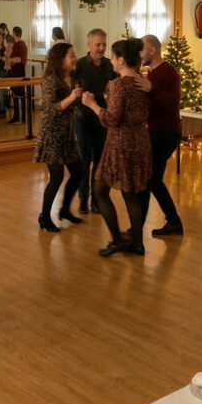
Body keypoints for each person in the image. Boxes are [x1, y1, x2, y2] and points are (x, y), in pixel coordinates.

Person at [82, 38, 151, 257]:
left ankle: (118, 240)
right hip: (140, 141)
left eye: (113, 57)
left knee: (100, 190)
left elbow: (111, 119)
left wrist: (92, 105)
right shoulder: (142, 82)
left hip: (120, 144)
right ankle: (137, 243)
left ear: (121, 60)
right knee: (131, 194)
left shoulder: (118, 85)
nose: (110, 60)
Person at [34, 42, 85, 233]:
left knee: (78, 172)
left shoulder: (72, 77)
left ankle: (64, 210)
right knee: (56, 177)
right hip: (52, 135)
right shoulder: (51, 80)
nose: (75, 58)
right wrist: (71, 98)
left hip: (67, 135)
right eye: (71, 55)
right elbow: (48, 110)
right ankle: (44, 217)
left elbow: (74, 104)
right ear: (60, 59)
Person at [140, 35, 184, 236]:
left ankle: (169, 222)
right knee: (153, 180)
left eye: (142, 50)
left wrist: (151, 89)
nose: (139, 55)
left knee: (150, 180)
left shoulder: (169, 71)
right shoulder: (151, 73)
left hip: (166, 133)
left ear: (152, 50)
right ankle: (173, 222)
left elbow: (173, 103)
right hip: (155, 131)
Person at [74, 28, 116, 213]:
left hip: (102, 119)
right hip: (83, 119)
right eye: (98, 44)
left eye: (104, 45)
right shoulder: (80, 65)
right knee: (84, 161)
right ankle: (83, 199)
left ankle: (96, 200)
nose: (101, 48)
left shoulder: (110, 65)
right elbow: (72, 88)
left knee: (100, 162)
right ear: (89, 44)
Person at [6, 26, 28, 124]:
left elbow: (19, 59)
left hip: (17, 74)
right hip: (18, 73)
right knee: (18, 95)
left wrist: (9, 60)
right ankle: (19, 117)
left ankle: (18, 117)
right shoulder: (22, 44)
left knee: (17, 96)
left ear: (14, 33)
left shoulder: (18, 44)